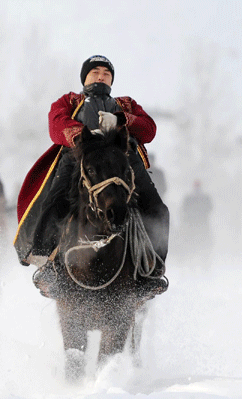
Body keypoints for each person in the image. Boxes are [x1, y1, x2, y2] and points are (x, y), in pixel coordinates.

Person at [14, 55, 169, 298]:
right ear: (84, 77)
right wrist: (85, 135)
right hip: (78, 157)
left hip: (123, 158)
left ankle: (152, 270)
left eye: (106, 73)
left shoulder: (126, 104)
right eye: (95, 72)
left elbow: (149, 129)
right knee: (54, 201)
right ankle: (47, 262)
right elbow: (56, 125)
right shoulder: (68, 101)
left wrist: (120, 120)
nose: (101, 76)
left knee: (157, 209)